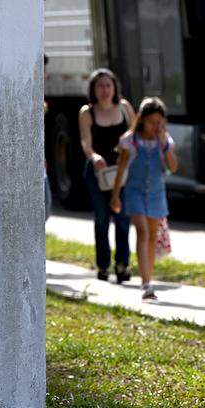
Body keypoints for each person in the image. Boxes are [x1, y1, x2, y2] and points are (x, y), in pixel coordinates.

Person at [110, 97, 178, 300]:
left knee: (151, 235)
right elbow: (121, 168)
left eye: (160, 122)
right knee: (142, 230)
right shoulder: (130, 141)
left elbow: (173, 167)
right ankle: (146, 284)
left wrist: (165, 145)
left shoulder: (164, 142)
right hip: (135, 192)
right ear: (141, 119)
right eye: (152, 122)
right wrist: (115, 196)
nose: (155, 126)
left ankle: (148, 279)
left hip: (156, 195)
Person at [78, 69, 136, 282]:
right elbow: (85, 141)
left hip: (122, 172)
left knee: (122, 217)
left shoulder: (125, 107)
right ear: (93, 89)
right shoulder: (87, 112)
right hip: (98, 172)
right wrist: (94, 157)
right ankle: (103, 265)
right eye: (100, 86)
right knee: (102, 218)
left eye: (108, 85)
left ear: (114, 87)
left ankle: (123, 264)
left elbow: (135, 132)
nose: (104, 90)